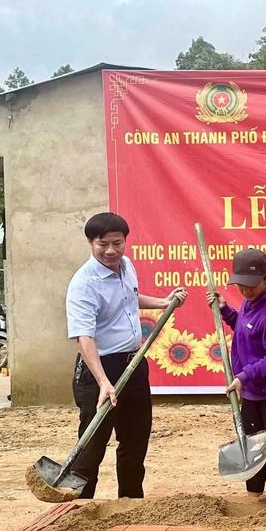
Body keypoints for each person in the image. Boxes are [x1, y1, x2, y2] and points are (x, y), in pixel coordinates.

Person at [66, 212, 187, 498]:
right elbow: (84, 338)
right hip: (99, 368)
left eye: (117, 243)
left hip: (133, 363)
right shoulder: (84, 284)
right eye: (103, 244)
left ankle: (131, 502)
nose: (111, 251)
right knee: (93, 441)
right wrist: (104, 381)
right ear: (90, 243)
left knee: (135, 438)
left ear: (125, 241)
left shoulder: (126, 266)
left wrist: (163, 302)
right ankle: (80, 508)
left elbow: (131, 299)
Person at [207, 248, 266, 495]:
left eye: (251, 285)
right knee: (252, 449)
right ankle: (253, 501)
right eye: (240, 285)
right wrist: (226, 310)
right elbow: (245, 327)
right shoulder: (252, 303)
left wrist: (244, 375)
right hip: (252, 392)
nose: (245, 290)